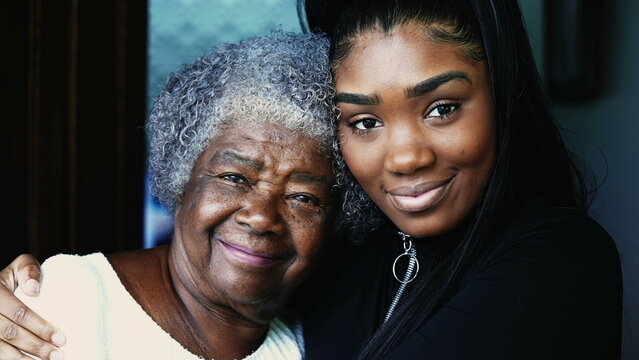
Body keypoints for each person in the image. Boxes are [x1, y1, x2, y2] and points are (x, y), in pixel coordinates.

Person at [0, 0, 623, 359]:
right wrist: (40, 290)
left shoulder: (559, 261)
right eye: (365, 120)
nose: (402, 157)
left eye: (441, 108)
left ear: (503, 96)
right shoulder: (350, 257)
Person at [0, 31, 338, 360]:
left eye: (304, 198)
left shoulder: (311, 341)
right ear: (182, 178)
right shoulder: (65, 303)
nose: (262, 216)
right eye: (234, 178)